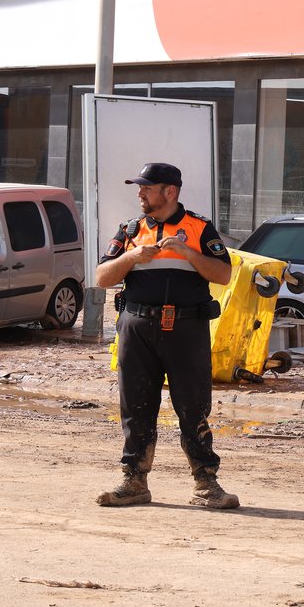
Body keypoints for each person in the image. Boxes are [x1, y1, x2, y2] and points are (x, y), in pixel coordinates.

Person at [93, 162, 238, 509]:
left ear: (169, 192)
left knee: (193, 406)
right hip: (136, 327)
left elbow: (224, 275)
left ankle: (206, 484)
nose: (140, 193)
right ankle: (134, 482)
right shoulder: (129, 230)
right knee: (136, 407)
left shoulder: (200, 228)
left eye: (147, 187)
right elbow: (101, 277)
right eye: (140, 188)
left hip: (186, 329)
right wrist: (131, 257)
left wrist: (188, 252)